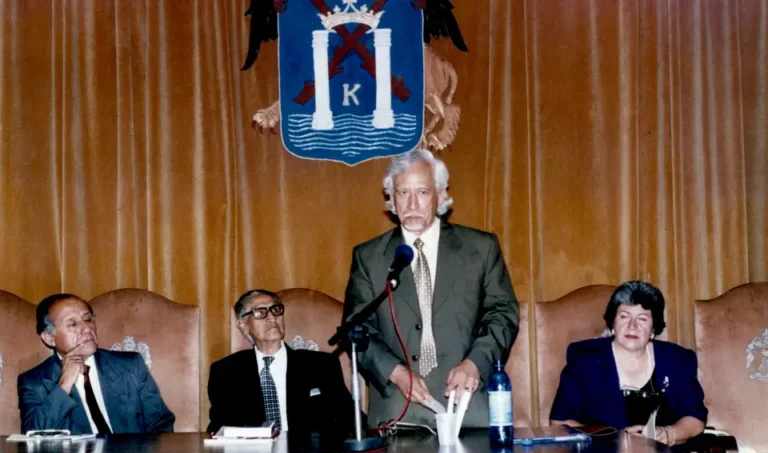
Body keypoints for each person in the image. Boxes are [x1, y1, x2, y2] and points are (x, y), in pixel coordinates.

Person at [343, 150, 519, 428]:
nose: (412, 203)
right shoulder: (369, 257)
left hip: (468, 409)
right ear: (391, 198)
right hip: (398, 414)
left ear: (441, 194)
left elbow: (502, 316)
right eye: (402, 192)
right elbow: (358, 330)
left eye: (422, 192)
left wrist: (474, 364)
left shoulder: (481, 248)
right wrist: (396, 373)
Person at [550, 280, 707, 445]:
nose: (632, 326)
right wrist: (614, 440)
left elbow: (695, 418)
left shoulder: (676, 359)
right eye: (624, 316)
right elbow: (560, 422)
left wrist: (667, 434)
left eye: (643, 319)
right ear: (613, 323)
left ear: (654, 329)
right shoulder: (585, 360)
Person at [207, 289, 357, 437]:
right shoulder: (226, 371)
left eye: (276, 310)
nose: (272, 318)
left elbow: (349, 416)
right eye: (260, 312)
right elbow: (219, 428)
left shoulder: (321, 365)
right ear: (243, 325)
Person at [18, 294, 175, 434]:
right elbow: (34, 436)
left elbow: (160, 422)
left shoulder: (130, 365)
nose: (87, 328)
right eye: (72, 324)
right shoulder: (34, 382)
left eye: (87, 319)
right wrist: (64, 385)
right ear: (49, 338)